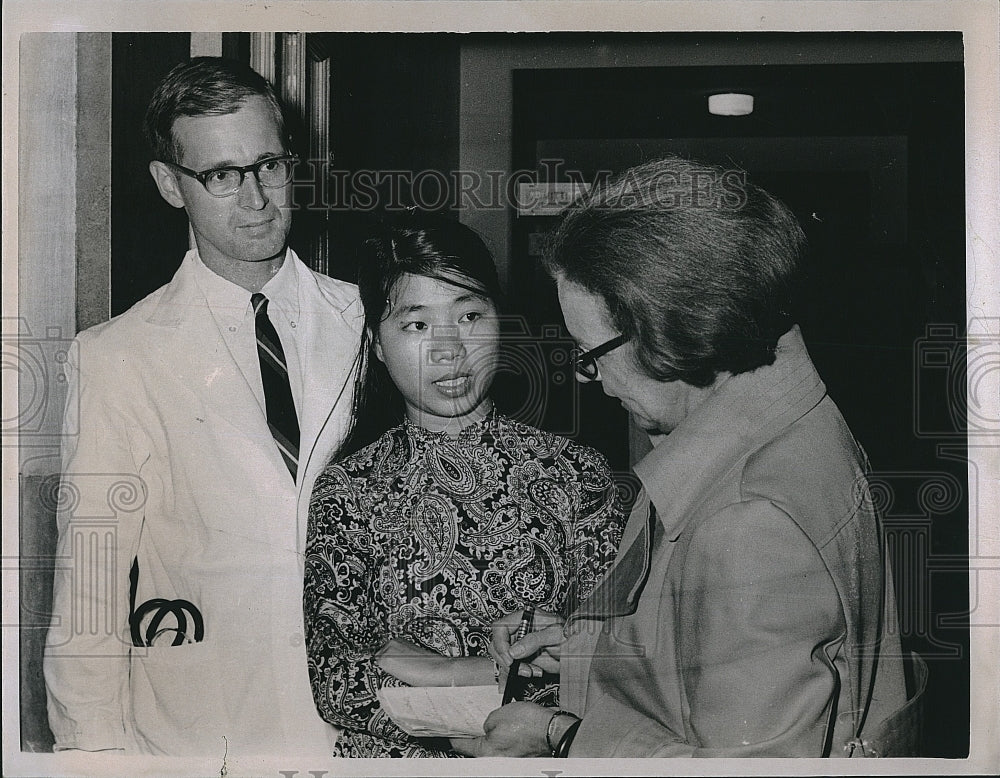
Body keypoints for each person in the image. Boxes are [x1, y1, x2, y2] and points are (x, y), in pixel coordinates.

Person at [453, 155, 914, 758]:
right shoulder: (791, 418)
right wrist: (585, 651)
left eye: (590, 353)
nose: (589, 377)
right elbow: (719, 648)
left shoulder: (750, 523)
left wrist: (559, 736)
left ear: (668, 329)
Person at [43, 57, 363, 756]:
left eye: (269, 165)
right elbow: (89, 593)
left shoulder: (364, 320)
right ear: (170, 184)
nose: (256, 198)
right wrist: (93, 761)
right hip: (201, 740)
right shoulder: (116, 357)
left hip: (358, 736)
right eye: (221, 176)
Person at [303, 216, 626, 757]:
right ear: (376, 346)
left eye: (470, 315)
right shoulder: (347, 491)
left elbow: (613, 657)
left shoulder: (579, 475)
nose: (449, 349)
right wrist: (476, 674)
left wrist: (411, 663)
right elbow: (335, 680)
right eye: (416, 325)